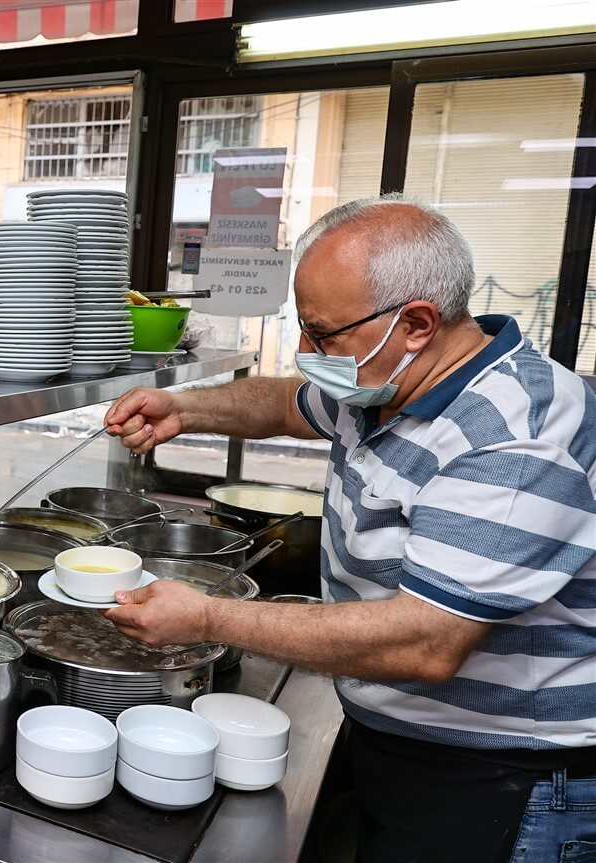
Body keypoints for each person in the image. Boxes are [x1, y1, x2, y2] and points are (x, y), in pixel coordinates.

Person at [103, 195, 595, 863]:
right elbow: (281, 401)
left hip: (505, 778)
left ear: (416, 322)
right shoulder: (388, 383)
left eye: (322, 333)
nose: (308, 352)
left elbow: (425, 643)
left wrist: (206, 618)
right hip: (408, 741)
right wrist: (182, 409)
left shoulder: (513, 440)